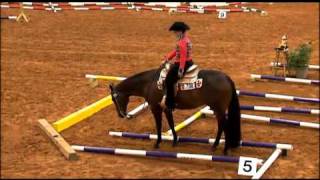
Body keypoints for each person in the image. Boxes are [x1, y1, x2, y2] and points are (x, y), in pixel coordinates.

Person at [163, 21, 194, 110]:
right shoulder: (185, 39)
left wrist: (180, 69)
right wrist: (167, 58)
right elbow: (177, 51)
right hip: (189, 62)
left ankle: (170, 104)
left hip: (182, 64)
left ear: (180, 31)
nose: (174, 33)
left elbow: (183, 57)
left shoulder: (182, 42)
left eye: (175, 32)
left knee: (168, 81)